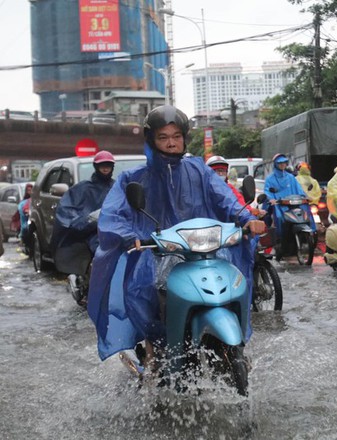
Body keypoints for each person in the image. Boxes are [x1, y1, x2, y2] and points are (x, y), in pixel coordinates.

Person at [86, 105, 265, 369]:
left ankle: (233, 347)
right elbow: (113, 215)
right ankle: (153, 349)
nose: (171, 143)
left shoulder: (200, 171)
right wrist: (128, 236)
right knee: (148, 298)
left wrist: (247, 218)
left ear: (184, 138)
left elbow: (224, 197)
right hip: (155, 255)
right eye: (163, 137)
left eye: (176, 136)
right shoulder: (133, 178)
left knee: (232, 280)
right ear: (151, 140)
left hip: (202, 252)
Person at [53, 151, 115, 258]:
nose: (105, 169)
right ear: (96, 167)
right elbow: (67, 213)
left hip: (115, 231)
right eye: (102, 166)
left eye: (108, 166)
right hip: (90, 235)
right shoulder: (81, 188)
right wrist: (87, 222)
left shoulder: (118, 188)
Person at [263, 153, 315, 241]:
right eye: (280, 163)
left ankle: (312, 233)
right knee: (279, 217)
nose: (282, 165)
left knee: (307, 210)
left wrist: (306, 197)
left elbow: (299, 189)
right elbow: (267, 191)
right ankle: (280, 239)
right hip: (279, 205)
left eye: (284, 162)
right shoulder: (270, 178)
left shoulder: (291, 177)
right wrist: (271, 199)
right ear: (275, 164)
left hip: (293, 204)